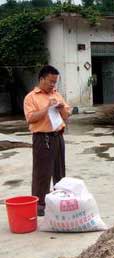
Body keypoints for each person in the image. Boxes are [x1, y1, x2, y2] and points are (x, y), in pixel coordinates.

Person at [23, 65, 71, 216]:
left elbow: (66, 116)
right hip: (42, 138)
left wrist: (61, 107)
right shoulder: (31, 97)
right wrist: (47, 108)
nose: (53, 85)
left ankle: (59, 200)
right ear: (41, 79)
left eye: (55, 82)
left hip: (58, 136)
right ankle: (40, 205)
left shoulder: (57, 94)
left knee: (59, 170)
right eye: (50, 81)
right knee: (42, 173)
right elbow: (30, 118)